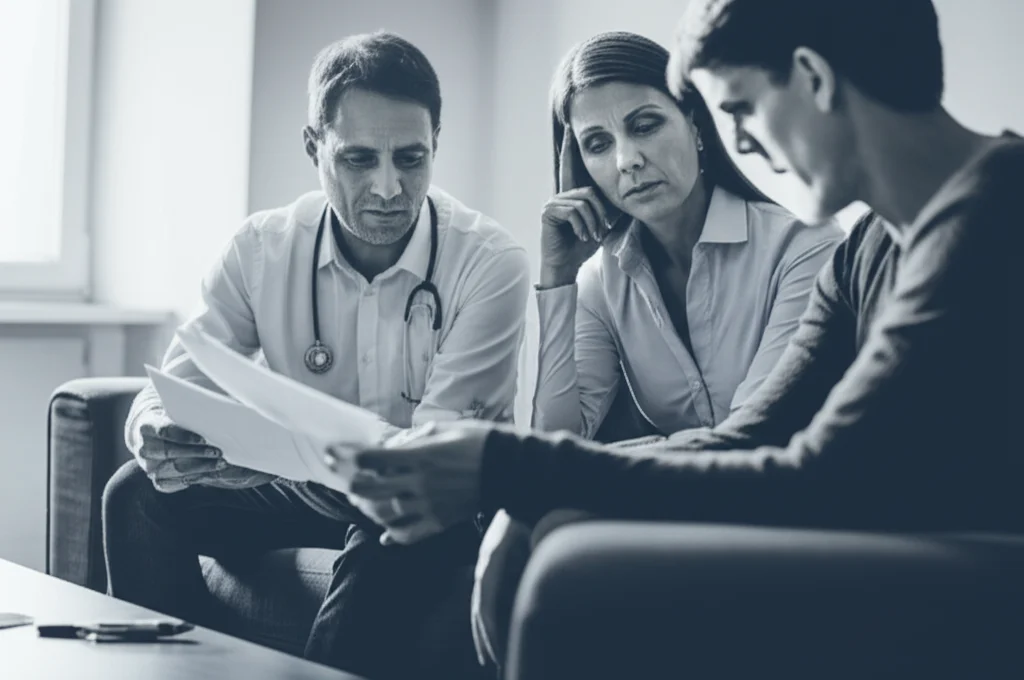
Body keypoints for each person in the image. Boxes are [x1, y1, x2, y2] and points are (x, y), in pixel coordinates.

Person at [336, 0, 1020, 672]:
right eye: (598, 142)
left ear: (814, 77)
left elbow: (815, 471)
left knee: (577, 570)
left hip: (984, 566)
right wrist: (531, 488)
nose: (742, 142)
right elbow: (753, 431)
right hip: (895, 540)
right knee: (558, 536)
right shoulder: (869, 245)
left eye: (742, 109)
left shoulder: (996, 213)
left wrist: (508, 467)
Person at [101, 31, 530, 680]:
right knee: (135, 493)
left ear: (435, 145)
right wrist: (156, 431)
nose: (388, 188)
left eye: (411, 159)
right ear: (313, 148)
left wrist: (293, 458)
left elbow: (434, 452)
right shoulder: (261, 248)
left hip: (426, 499)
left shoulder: (490, 263)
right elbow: (175, 376)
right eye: (358, 159)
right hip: (307, 486)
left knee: (399, 525)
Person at [531, 32, 841, 441]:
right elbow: (552, 447)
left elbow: (752, 439)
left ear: (695, 123)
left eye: (645, 126)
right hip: (672, 503)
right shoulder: (599, 284)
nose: (627, 161)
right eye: (598, 144)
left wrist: (620, 459)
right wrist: (558, 275)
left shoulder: (803, 248)